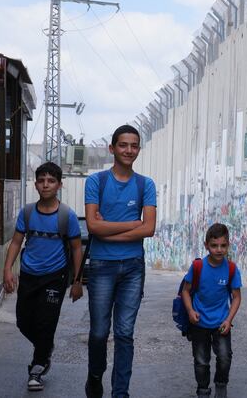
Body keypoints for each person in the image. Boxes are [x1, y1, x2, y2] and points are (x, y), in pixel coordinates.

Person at [84, 125, 156, 398]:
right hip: (102, 266)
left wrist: (108, 231)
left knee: (125, 334)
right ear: (112, 148)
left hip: (133, 267)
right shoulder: (96, 181)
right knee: (100, 332)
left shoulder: (144, 184)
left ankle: (120, 393)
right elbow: (92, 226)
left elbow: (148, 229)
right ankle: (94, 376)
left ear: (138, 149)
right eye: (123, 145)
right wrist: (131, 226)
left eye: (134, 145)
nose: (129, 150)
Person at [2, 161, 84, 391]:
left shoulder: (67, 215)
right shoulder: (27, 212)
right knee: (23, 321)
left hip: (54, 278)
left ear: (59, 185)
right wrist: (8, 269)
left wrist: (77, 282)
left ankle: (37, 368)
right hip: (29, 275)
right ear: (36, 184)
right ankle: (45, 347)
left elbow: (77, 248)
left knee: (46, 323)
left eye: (51, 181)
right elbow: (17, 241)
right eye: (41, 180)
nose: (45, 185)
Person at [181, 223, 242, 398]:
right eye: (214, 246)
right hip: (199, 322)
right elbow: (185, 291)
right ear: (206, 245)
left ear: (228, 245)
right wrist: (191, 311)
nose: (219, 250)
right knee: (201, 361)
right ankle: (203, 391)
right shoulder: (198, 267)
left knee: (224, 357)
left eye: (223, 245)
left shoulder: (231, 269)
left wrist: (228, 320)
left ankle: (221, 386)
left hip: (221, 322)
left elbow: (236, 297)